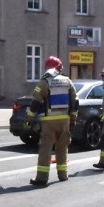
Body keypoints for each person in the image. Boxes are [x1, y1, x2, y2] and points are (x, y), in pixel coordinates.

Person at [25, 56, 77, 186]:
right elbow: (75, 101)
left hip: (49, 121)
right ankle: (63, 175)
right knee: (62, 148)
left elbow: (35, 102)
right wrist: (73, 118)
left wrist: (29, 120)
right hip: (64, 120)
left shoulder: (44, 82)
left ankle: (42, 178)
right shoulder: (67, 81)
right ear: (59, 68)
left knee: (45, 149)